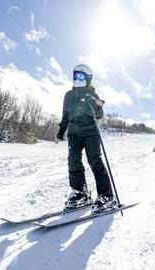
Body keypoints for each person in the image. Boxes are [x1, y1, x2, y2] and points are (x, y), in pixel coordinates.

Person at [56, 64, 117, 213]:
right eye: (75, 76)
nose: (77, 79)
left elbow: (99, 114)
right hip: (73, 133)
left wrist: (93, 105)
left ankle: (106, 195)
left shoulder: (92, 95)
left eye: (81, 76)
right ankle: (80, 193)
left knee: (94, 160)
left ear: (88, 79)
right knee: (73, 160)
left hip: (90, 132)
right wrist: (61, 129)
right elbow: (65, 115)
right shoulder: (68, 95)